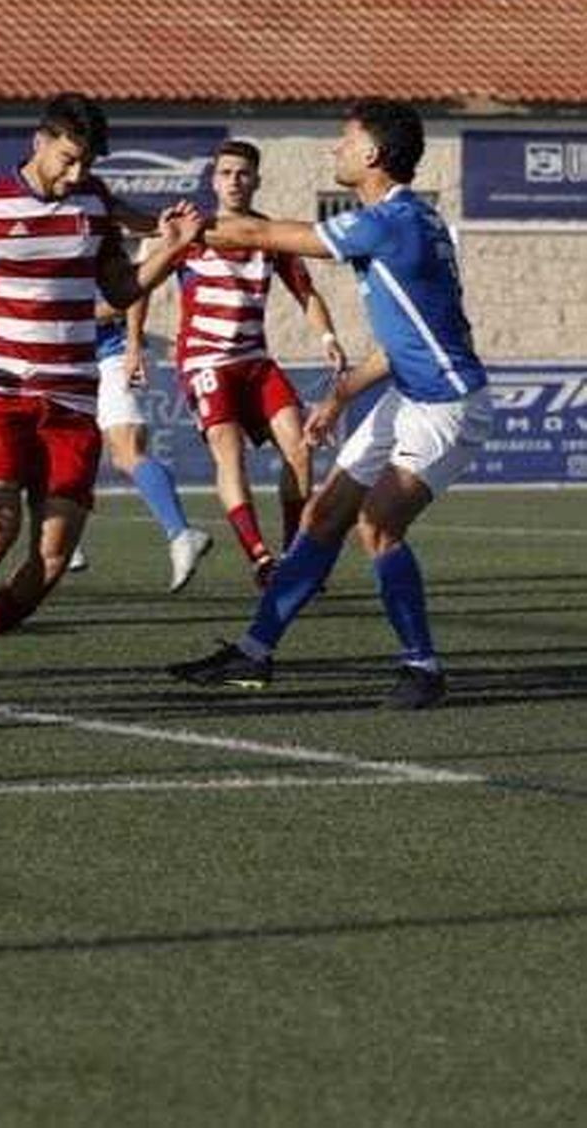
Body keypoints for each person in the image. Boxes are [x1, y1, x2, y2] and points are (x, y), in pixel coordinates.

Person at [169, 100, 491, 709]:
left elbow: (263, 233)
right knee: (321, 518)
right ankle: (254, 653)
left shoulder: (387, 221)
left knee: (378, 526)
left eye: (344, 140)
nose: (332, 150)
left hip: (449, 405)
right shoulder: (406, 220)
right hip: (411, 394)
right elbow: (402, 342)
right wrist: (342, 395)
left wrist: (162, 231)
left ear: (371, 155)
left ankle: (422, 667)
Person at [0, 94, 204, 710]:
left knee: (54, 558)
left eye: (85, 163)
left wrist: (172, 248)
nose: (75, 174)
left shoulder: (94, 205)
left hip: (72, 402)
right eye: (67, 159)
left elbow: (118, 288)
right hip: (1, 394)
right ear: (41, 142)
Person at [174, 139, 348, 585]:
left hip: (255, 361)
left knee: (300, 448)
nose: (234, 180)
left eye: (243, 173)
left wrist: (328, 336)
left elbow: (305, 292)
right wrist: (135, 343)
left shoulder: (271, 235)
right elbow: (146, 277)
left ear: (257, 180)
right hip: (206, 362)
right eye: (226, 172)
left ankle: (293, 556)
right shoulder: (192, 230)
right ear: (213, 180)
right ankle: (260, 559)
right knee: (228, 454)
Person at [80, 297, 213, 592]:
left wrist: (132, 346)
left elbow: (132, 292)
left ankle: (181, 533)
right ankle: (63, 541)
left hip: (117, 356)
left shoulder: (97, 252)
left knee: (128, 450)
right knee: (78, 448)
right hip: (85, 365)